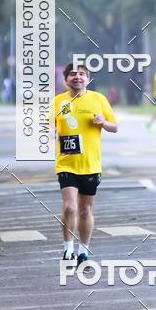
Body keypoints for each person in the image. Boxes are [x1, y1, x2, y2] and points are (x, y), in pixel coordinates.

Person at [54, 62, 118, 268]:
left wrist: (103, 122)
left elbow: (114, 127)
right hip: (66, 163)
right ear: (66, 80)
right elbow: (48, 125)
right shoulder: (57, 102)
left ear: (88, 79)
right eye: (72, 74)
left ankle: (83, 250)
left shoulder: (98, 99)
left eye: (82, 74)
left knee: (85, 211)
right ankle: (68, 248)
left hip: (91, 164)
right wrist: (49, 132)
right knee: (70, 206)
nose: (77, 77)